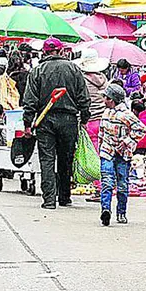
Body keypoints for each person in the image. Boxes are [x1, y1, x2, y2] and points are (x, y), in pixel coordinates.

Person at [22, 37, 91, 210]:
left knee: (47, 160)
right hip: (69, 120)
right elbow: (84, 97)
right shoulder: (74, 69)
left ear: (44, 53)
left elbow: (30, 100)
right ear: (61, 51)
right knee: (66, 158)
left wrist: (27, 124)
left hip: (45, 120)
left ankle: (49, 200)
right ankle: (64, 196)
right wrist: (84, 118)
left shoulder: (37, 71)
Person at [97, 84, 146, 226]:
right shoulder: (106, 113)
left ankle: (121, 212)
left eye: (106, 97)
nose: (104, 100)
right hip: (107, 151)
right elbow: (102, 131)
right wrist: (100, 146)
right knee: (106, 181)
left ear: (112, 99)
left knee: (122, 184)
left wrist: (126, 141)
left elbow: (141, 130)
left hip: (123, 155)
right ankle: (105, 209)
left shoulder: (126, 115)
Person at [75, 50, 110, 148]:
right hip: (103, 118)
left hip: (88, 119)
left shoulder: (81, 80)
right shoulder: (103, 78)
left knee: (89, 151)